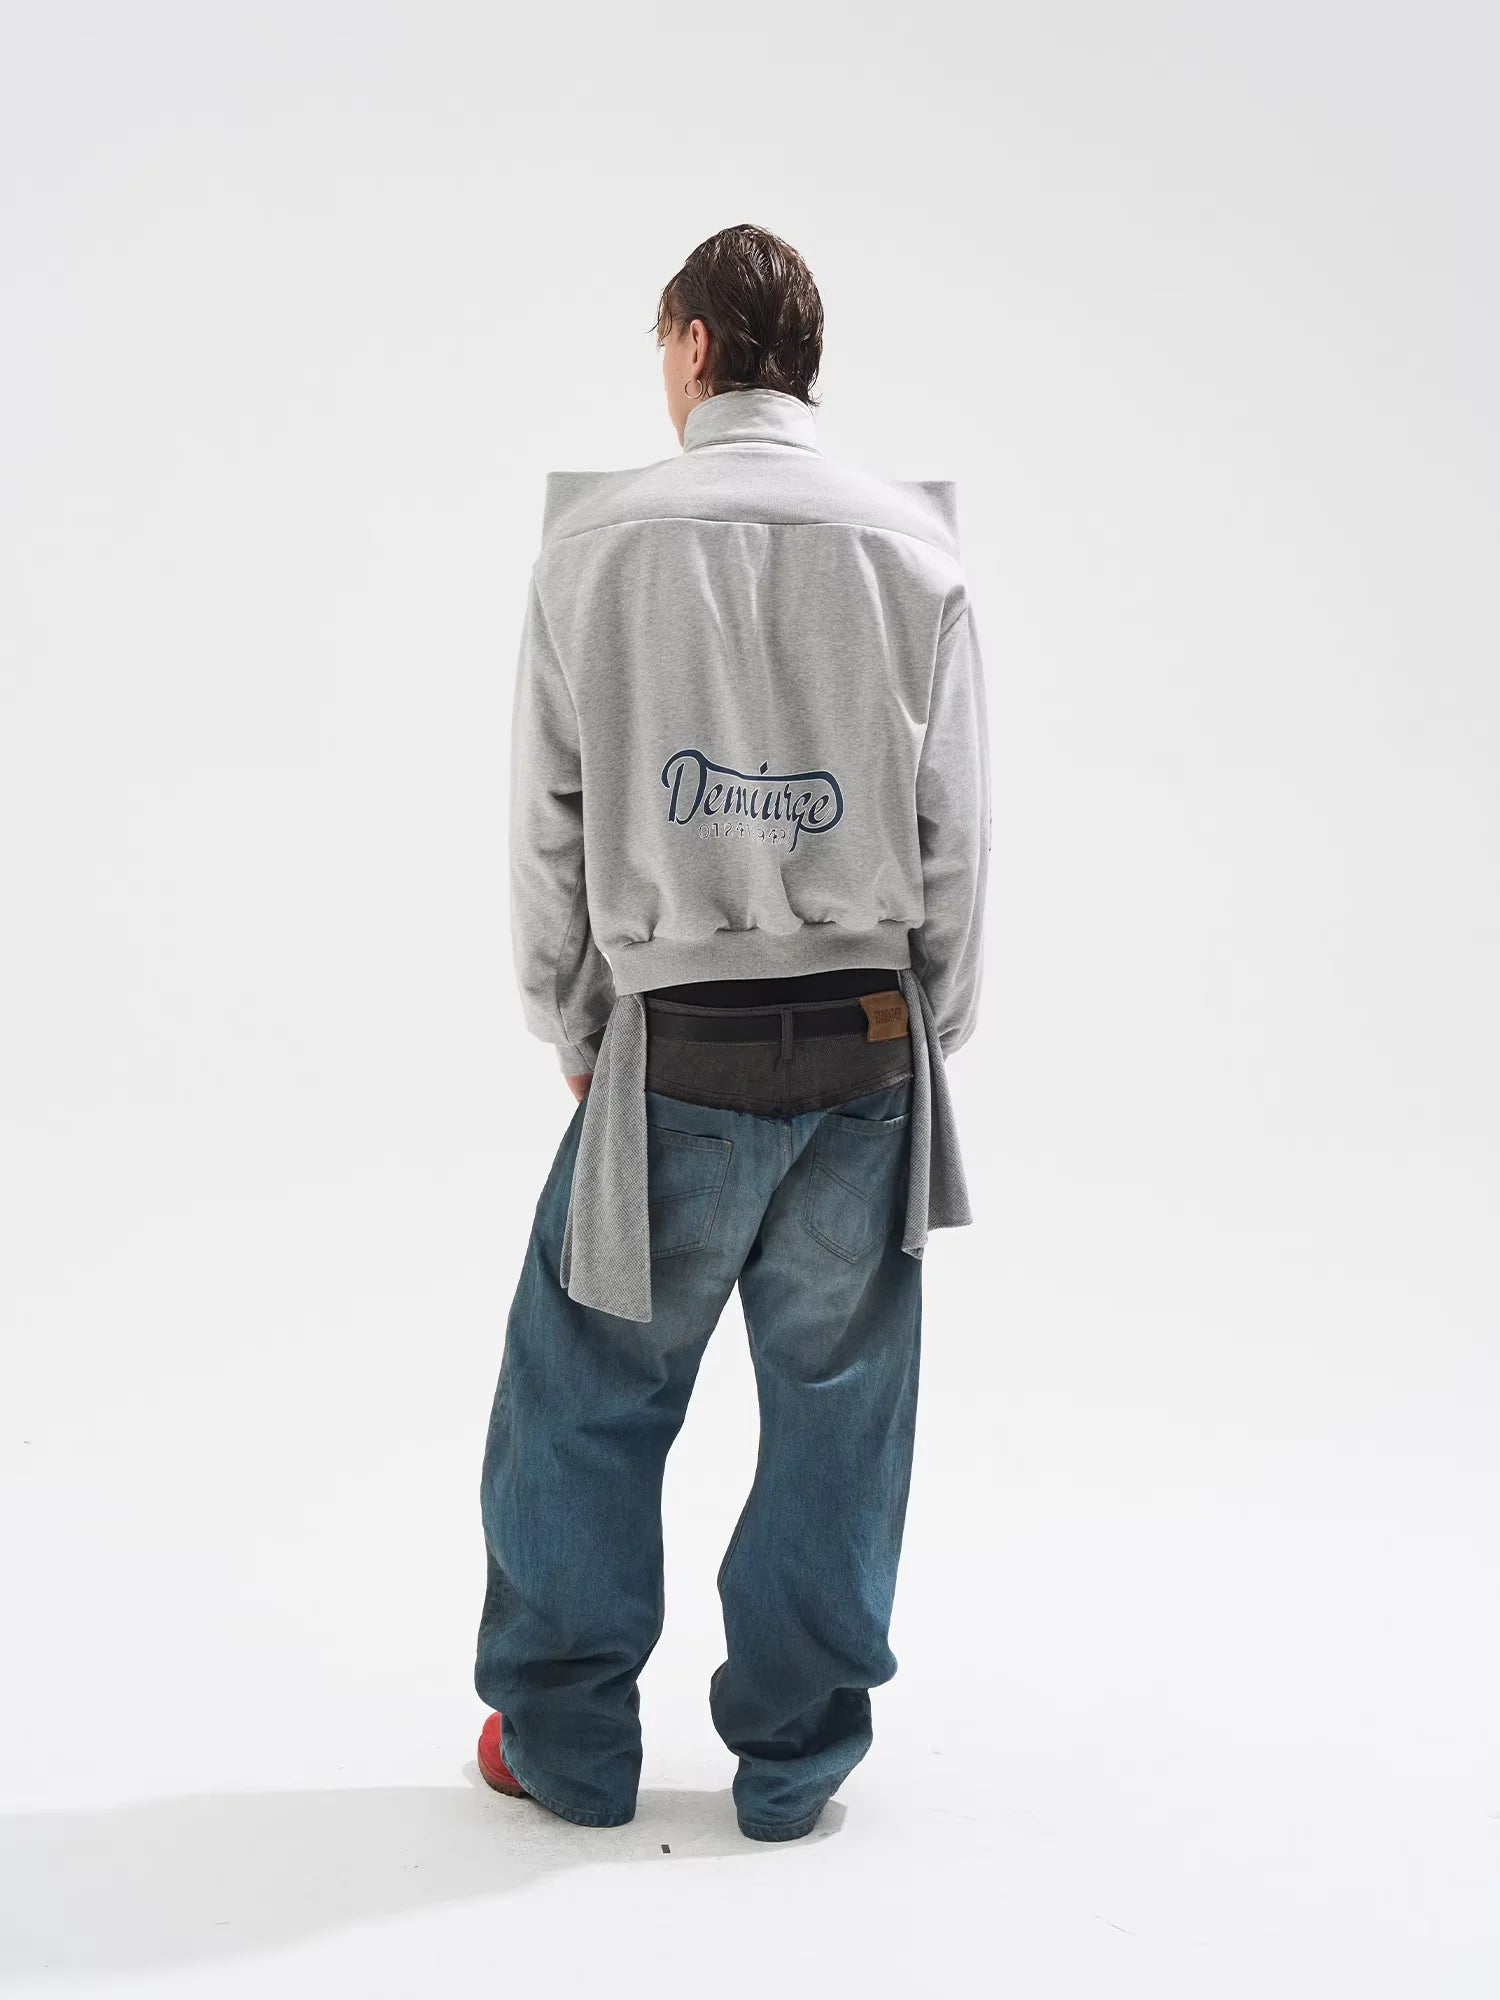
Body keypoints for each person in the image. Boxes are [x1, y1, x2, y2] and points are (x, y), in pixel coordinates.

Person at [474, 223, 991, 1842]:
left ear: (694, 344)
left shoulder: (594, 547)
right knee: (840, 1413)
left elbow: (549, 826)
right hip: (866, 1042)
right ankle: (795, 1761)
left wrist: (572, 1017)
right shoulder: (915, 549)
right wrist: (928, 1031)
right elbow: (956, 833)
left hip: (674, 1046)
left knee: (584, 1396)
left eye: (663, 343)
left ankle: (566, 1746)